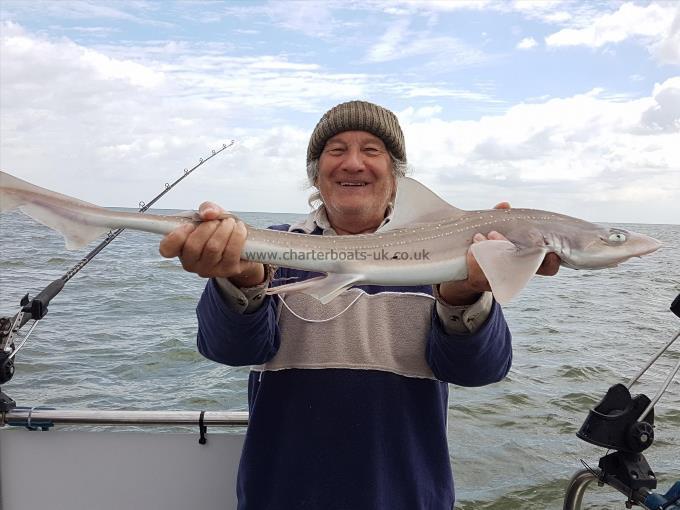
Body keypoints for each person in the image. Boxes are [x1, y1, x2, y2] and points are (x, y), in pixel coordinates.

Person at [159, 100, 560, 509]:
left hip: (406, 498)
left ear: (396, 174)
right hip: (280, 496)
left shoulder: (448, 259)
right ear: (315, 173)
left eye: (371, 151)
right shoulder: (271, 249)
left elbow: (479, 371)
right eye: (336, 150)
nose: (353, 163)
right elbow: (229, 350)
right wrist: (241, 279)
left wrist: (463, 292)